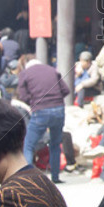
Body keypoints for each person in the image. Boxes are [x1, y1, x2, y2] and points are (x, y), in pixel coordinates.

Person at [17, 53, 70, 183]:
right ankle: (55, 177)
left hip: (40, 110)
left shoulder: (25, 73)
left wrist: (34, 101)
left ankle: (27, 178)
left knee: (29, 145)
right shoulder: (52, 70)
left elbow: (22, 96)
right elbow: (66, 90)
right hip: (59, 109)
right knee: (55, 144)